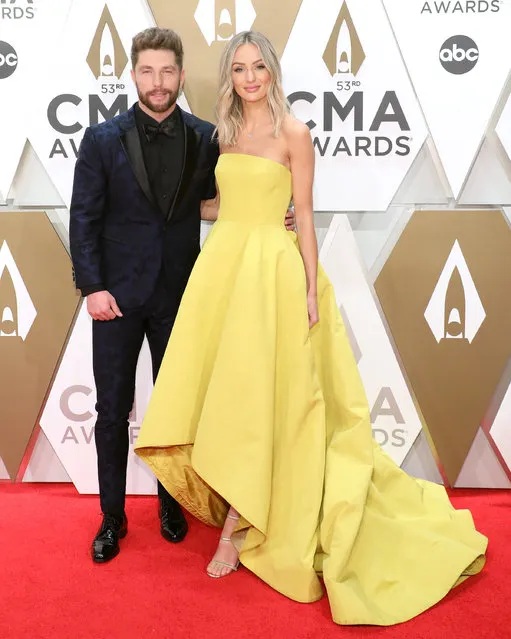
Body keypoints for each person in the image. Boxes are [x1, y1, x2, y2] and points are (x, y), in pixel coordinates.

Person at [134, 31, 487, 626]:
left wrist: (308, 288)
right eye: (239, 69)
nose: (250, 78)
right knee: (233, 397)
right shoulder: (220, 135)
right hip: (224, 272)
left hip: (273, 276)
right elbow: (222, 202)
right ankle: (238, 507)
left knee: (272, 402)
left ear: (273, 72)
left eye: (258, 68)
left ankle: (236, 529)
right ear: (230, 76)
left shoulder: (296, 133)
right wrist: (196, 208)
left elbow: (306, 216)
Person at [70, 26, 295, 564]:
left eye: (167, 71)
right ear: (132, 75)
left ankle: (173, 507)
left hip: (184, 297)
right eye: (147, 71)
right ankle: (112, 517)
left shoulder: (205, 136)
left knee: (179, 407)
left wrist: (266, 212)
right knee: (111, 411)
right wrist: (93, 287)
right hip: (116, 300)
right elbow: (84, 218)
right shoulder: (101, 139)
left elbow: (212, 204)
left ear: (180, 74)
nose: (157, 81)